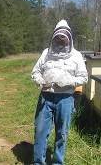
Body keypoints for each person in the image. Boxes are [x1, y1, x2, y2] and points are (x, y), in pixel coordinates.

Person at [31, 20, 88, 164]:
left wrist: (69, 81)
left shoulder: (76, 56)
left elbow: (84, 77)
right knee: (40, 132)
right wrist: (40, 80)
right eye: (58, 37)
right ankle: (38, 162)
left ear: (69, 38)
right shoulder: (46, 53)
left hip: (65, 99)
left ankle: (57, 162)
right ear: (53, 37)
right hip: (46, 97)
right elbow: (36, 71)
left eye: (63, 38)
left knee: (61, 134)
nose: (60, 40)